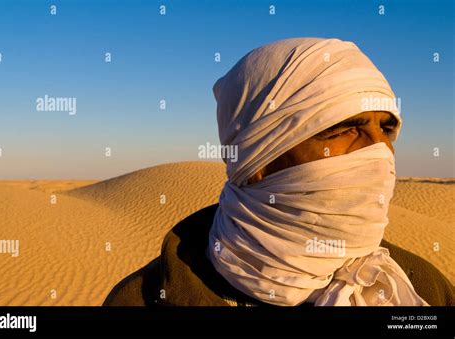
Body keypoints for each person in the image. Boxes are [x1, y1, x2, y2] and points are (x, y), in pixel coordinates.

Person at [104, 38, 454, 306]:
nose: (381, 152)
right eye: (344, 129)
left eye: (387, 130)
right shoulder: (146, 299)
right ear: (256, 160)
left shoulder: (419, 286)